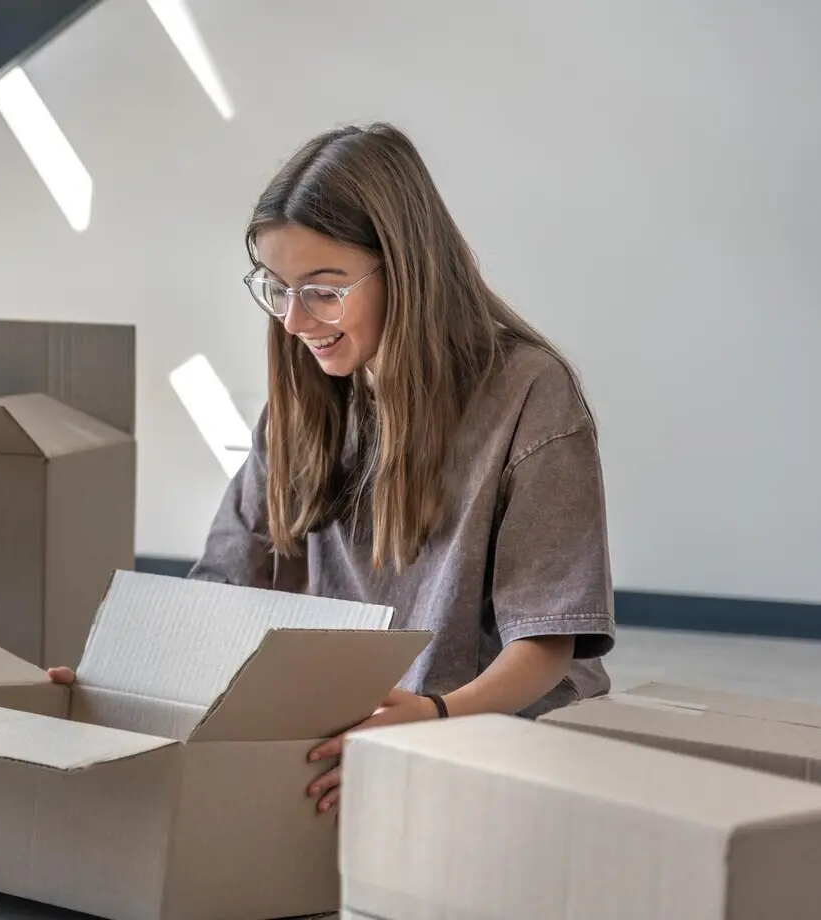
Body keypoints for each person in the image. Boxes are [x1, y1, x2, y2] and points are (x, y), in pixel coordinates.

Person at [49, 123, 614, 815]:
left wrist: (433, 719)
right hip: (350, 724)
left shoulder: (529, 393)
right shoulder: (303, 403)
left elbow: (548, 644)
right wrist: (114, 685)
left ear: (406, 270)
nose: (292, 321)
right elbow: (223, 588)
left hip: (494, 729)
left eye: (323, 288)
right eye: (276, 288)